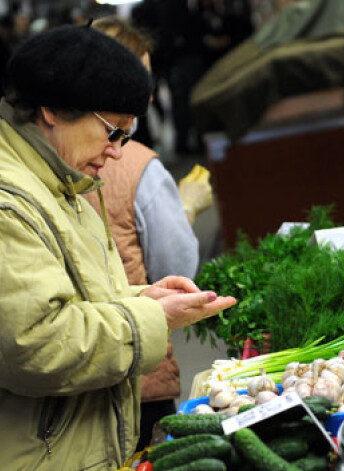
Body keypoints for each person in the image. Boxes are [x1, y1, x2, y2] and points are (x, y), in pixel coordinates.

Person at [0, 24, 236, 470]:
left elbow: (73, 300)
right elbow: (35, 343)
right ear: (51, 110)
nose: (116, 152)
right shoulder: (9, 204)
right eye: (113, 131)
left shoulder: (62, 181)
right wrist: (153, 317)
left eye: (127, 136)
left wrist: (141, 296)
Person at [85, 16, 212, 451]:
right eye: (139, 77)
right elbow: (178, 271)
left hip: (79, 390)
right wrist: (188, 206)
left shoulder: (49, 168)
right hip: (137, 372)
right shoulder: (136, 162)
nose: (149, 93)